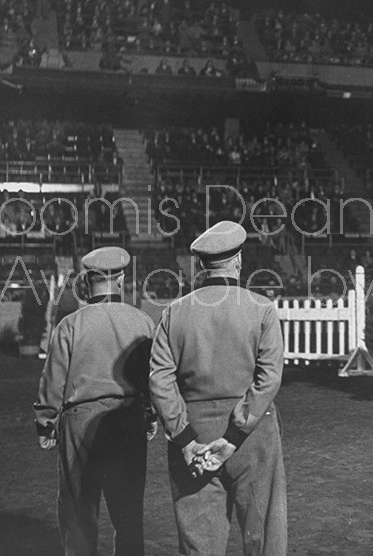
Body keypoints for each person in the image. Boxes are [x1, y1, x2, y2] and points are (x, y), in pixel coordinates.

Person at [149, 220, 287, 556]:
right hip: (253, 435)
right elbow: (269, 377)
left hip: (194, 434)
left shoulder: (174, 313)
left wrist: (184, 439)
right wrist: (236, 435)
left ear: (200, 265)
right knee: (263, 537)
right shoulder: (262, 309)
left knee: (199, 543)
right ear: (238, 261)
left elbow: (159, 379)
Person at [33, 247, 157, 556]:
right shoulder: (142, 322)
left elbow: (53, 383)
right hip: (127, 420)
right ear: (122, 277)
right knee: (129, 517)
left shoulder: (69, 326)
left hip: (80, 424)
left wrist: (46, 424)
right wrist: (151, 416)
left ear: (87, 281)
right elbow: (154, 379)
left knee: (78, 515)